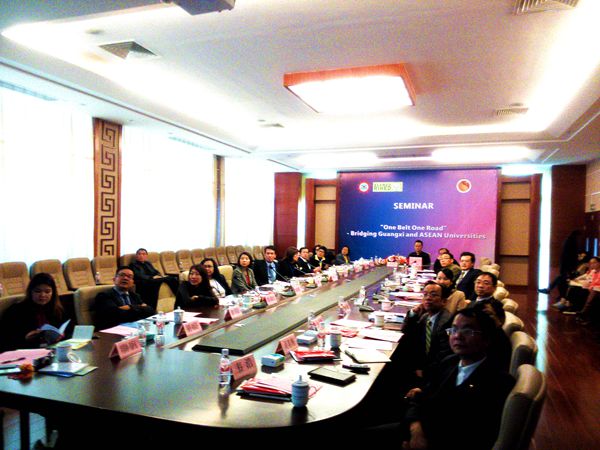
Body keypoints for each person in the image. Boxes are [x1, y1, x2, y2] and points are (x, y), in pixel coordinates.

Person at [401, 307, 515, 450]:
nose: (457, 336)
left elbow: (476, 436)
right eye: (454, 329)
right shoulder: (450, 362)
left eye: (467, 331)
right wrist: (416, 430)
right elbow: (421, 399)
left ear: (487, 339)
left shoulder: (498, 383)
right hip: (420, 430)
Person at [0, 273, 73, 351]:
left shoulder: (58, 309)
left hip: (53, 350)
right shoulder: (16, 311)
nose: (42, 295)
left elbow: (69, 331)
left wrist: (62, 336)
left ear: (53, 293)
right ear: (30, 292)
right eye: (37, 291)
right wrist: (25, 338)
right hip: (28, 351)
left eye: (47, 292)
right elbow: (6, 339)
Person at [401, 282, 453, 386]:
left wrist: (424, 371)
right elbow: (407, 332)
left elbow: (444, 355)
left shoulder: (446, 322)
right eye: (425, 294)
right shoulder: (426, 317)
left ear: (444, 301)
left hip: (437, 375)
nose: (428, 298)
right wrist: (413, 313)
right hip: (423, 365)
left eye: (433, 295)